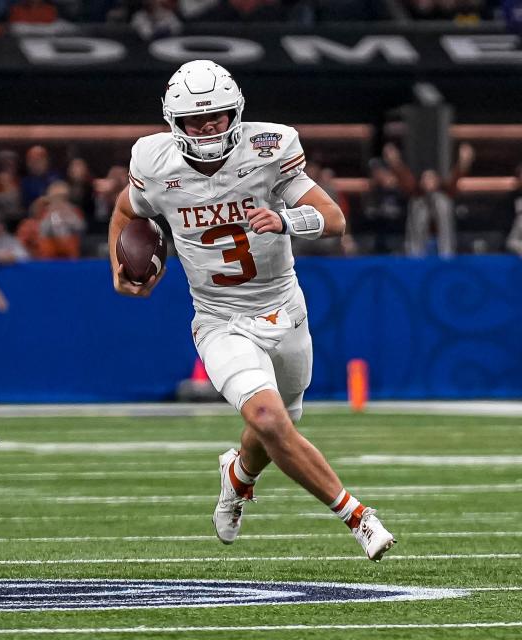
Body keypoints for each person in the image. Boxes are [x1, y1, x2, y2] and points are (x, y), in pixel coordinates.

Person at [108, 60, 396, 561]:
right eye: (195, 121)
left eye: (217, 117)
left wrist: (285, 221)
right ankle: (357, 516)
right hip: (219, 319)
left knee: (276, 425)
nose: (207, 128)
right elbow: (126, 211)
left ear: (235, 112)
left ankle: (237, 475)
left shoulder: (269, 148)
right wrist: (120, 265)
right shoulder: (153, 162)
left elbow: (335, 219)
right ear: (173, 123)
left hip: (284, 310)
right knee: (267, 417)